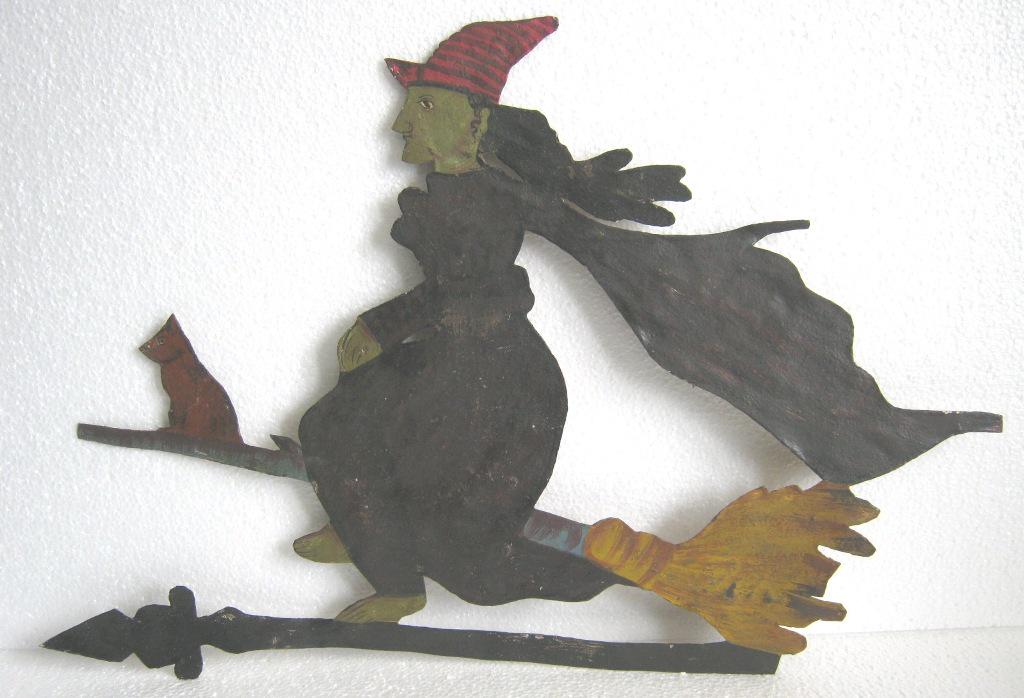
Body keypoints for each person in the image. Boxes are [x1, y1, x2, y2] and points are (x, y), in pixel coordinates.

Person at [298, 16, 1000, 624]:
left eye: (422, 106)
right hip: (455, 359)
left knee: (439, 512)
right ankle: (369, 533)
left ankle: (395, 575)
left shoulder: (484, 200)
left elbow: (473, 289)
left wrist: (383, 326)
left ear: (474, 120)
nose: (401, 123)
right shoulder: (463, 189)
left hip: (495, 380)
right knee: (338, 425)